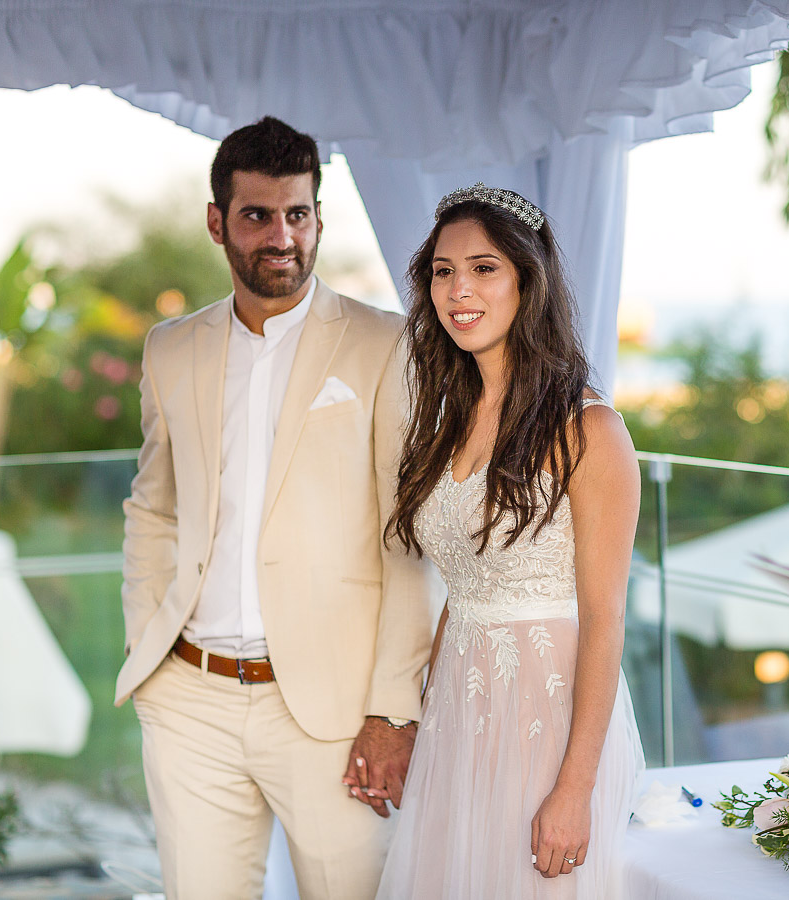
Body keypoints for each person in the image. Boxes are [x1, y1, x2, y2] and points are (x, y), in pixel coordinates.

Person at [115, 115, 433, 900]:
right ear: (219, 222)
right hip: (189, 699)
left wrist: (393, 711)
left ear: (319, 218)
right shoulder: (170, 348)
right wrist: (148, 656)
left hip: (332, 713)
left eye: (298, 213)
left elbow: (410, 539)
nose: (281, 236)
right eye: (258, 215)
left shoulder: (387, 345)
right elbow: (153, 508)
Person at [371, 184, 644, 899]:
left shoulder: (588, 429)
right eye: (442, 270)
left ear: (528, 279)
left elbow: (606, 617)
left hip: (545, 722)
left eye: (484, 267)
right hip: (460, 714)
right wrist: (420, 719)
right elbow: (463, 590)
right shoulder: (448, 421)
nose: (459, 288)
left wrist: (574, 788)